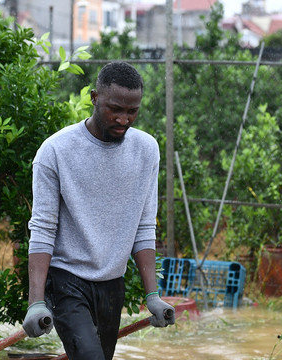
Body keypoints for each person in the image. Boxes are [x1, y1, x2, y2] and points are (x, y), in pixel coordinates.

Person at [22, 61, 175, 360]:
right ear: (94, 97)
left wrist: (153, 296)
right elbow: (42, 228)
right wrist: (35, 301)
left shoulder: (146, 150)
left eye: (132, 111)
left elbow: (144, 227)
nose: (124, 119)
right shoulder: (56, 151)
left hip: (111, 284)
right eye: (115, 109)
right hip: (67, 280)